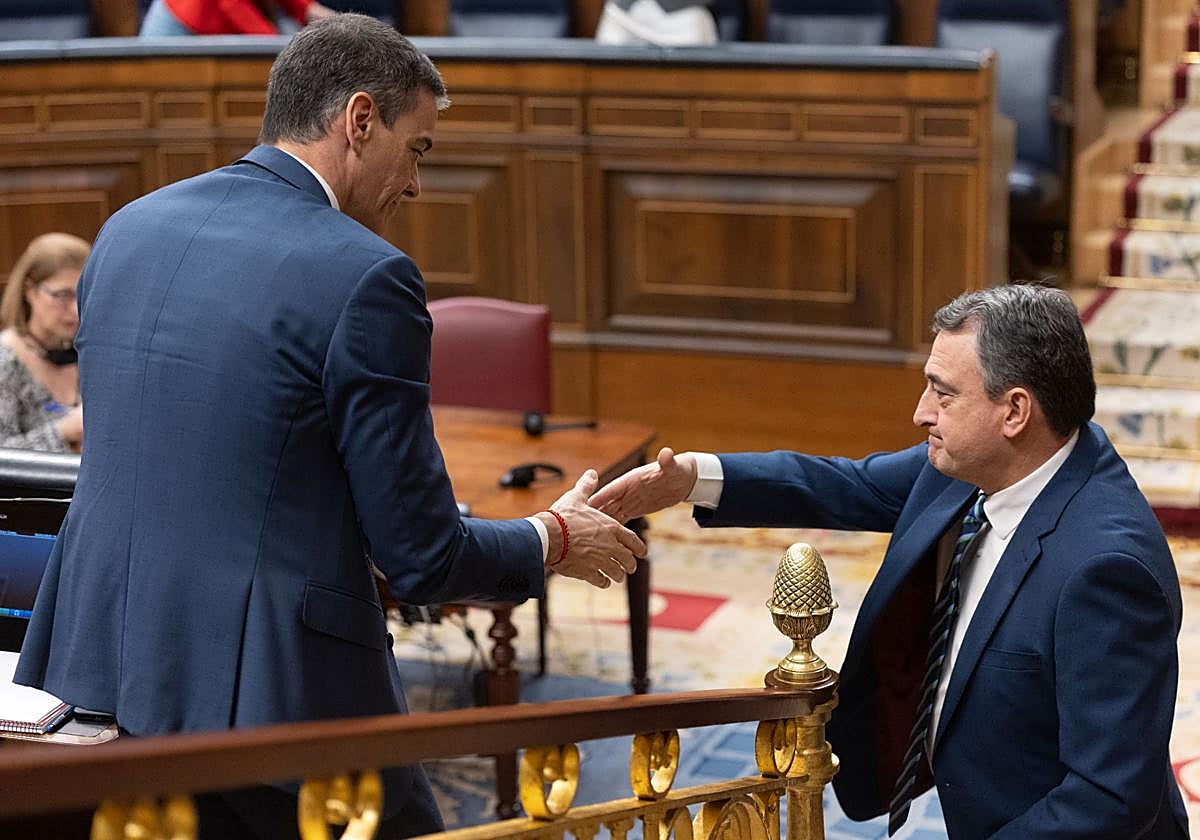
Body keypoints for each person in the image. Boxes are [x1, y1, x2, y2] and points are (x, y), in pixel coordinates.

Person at [16, 15, 643, 840]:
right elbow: (421, 556)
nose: (416, 185)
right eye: (417, 149)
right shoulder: (367, 276)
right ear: (359, 120)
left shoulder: (128, 228)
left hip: (99, 664)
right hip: (274, 707)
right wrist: (551, 537)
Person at [591, 284, 1189, 839]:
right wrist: (691, 479)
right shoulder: (977, 464)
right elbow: (846, 484)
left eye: (944, 394)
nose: (922, 413)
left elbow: (1108, 797)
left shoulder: (1106, 570)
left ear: (1014, 412)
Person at [0, 233, 87, 453]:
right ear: (30, 291)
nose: (75, 310)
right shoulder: (6, 360)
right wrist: (64, 432)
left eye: (83, 296)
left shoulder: (87, 351)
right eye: (63, 295)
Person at [140, 0, 334, 36]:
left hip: (213, 26)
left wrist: (311, 10)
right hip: (177, 23)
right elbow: (231, 4)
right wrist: (273, 41)